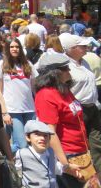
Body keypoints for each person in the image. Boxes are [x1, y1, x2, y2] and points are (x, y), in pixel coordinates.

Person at [34, 53, 88, 187]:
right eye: (65, 68)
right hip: (67, 155)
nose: (69, 71)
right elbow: (50, 132)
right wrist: (65, 165)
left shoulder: (64, 89)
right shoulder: (46, 95)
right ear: (54, 73)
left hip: (81, 151)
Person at [60, 33, 101, 174]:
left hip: (92, 107)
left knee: (96, 143)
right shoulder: (64, 65)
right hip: (77, 109)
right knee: (80, 142)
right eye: (82, 46)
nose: (86, 48)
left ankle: (97, 173)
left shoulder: (85, 62)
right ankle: (83, 172)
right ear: (71, 48)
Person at [0, 38, 38, 153]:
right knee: (21, 145)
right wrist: (4, 112)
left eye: (17, 47)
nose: (14, 49)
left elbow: (34, 88)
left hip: (30, 109)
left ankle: (7, 159)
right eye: (12, 47)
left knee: (31, 143)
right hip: (13, 111)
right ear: (7, 49)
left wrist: (39, 108)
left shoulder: (28, 65)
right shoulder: (0, 66)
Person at [15, 120, 63, 188]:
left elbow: (56, 168)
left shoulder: (51, 152)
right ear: (28, 137)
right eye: (37, 134)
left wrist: (68, 168)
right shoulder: (22, 154)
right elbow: (18, 172)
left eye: (45, 135)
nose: (42, 138)